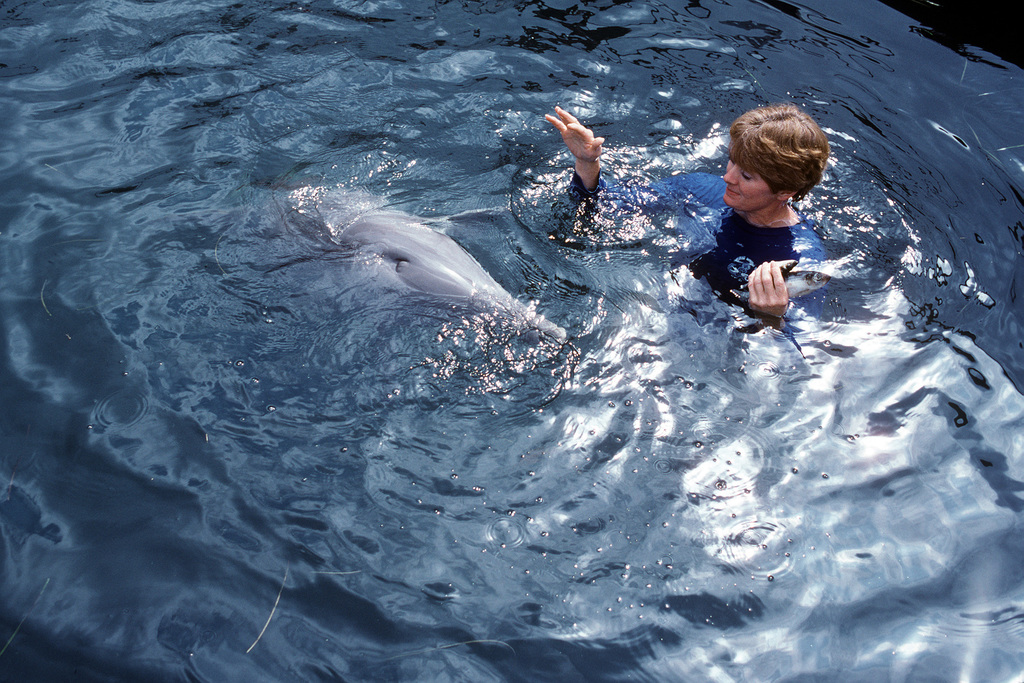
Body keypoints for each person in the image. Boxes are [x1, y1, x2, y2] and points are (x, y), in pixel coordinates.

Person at [545, 104, 830, 322]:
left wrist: (772, 316)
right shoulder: (702, 189)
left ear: (785, 192)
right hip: (657, 304)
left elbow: (799, 355)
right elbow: (608, 205)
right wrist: (587, 163)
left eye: (746, 175)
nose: (727, 177)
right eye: (731, 161)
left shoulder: (800, 261)